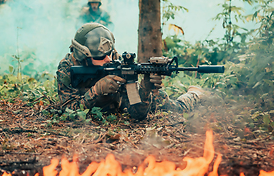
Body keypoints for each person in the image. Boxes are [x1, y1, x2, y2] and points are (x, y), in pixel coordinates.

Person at [56, 23, 204, 121]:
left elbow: (137, 114)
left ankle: (194, 93)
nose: (109, 59)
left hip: (121, 103)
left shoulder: (117, 61)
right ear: (83, 55)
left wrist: (145, 89)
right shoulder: (67, 68)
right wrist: (96, 90)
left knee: (175, 108)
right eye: (101, 57)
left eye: (110, 53)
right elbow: (69, 112)